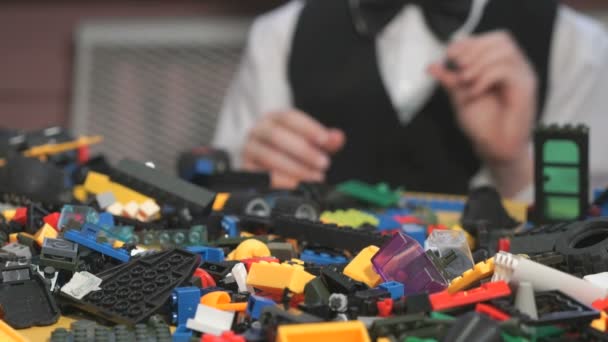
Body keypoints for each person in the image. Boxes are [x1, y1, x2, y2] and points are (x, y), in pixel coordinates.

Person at [213, 0, 608, 201]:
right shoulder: (278, 36)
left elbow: (590, 244)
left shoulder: (578, 49)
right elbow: (217, 195)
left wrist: (513, 163)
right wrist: (252, 184)